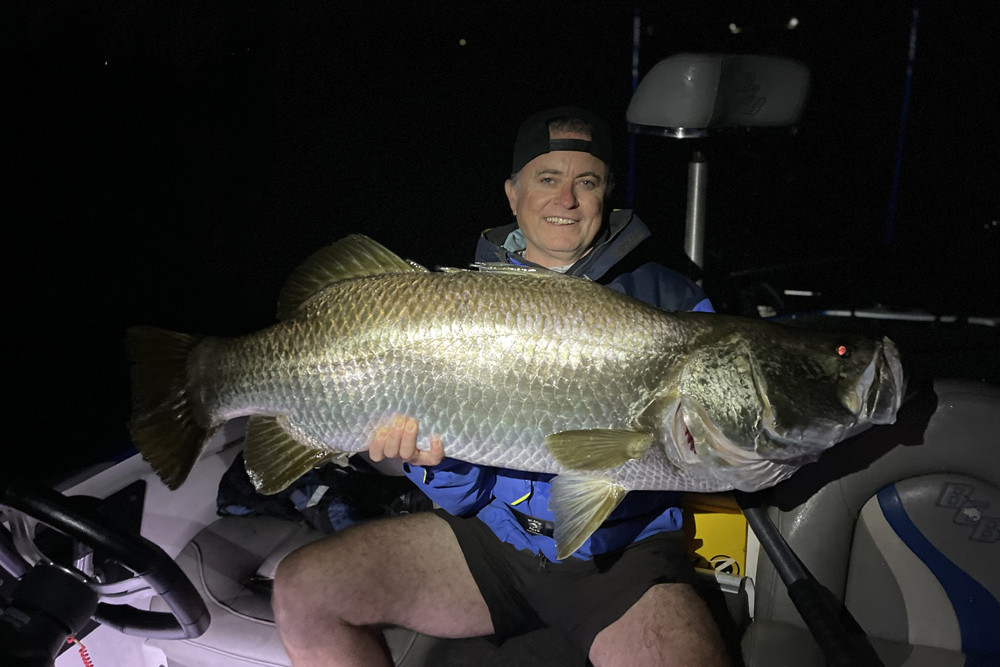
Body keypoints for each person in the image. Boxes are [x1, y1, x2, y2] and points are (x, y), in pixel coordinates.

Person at [272, 106, 730, 667]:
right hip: (494, 542)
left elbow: (723, 444)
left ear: (606, 193)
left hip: (620, 558)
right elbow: (466, 496)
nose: (566, 200)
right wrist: (436, 462)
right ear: (513, 194)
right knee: (303, 591)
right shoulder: (459, 303)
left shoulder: (677, 304)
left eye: (586, 182)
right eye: (547, 179)